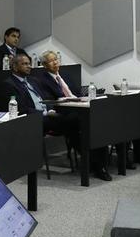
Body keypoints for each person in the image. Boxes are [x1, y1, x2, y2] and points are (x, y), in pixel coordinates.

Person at [8, 53, 108, 181]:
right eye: (25, 64)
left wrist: (50, 109)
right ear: (15, 67)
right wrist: (46, 113)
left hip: (50, 115)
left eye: (29, 63)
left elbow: (46, 99)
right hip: (34, 120)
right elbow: (21, 109)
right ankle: (96, 164)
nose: (29, 66)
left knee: (83, 124)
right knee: (76, 122)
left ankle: (95, 162)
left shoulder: (33, 80)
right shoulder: (10, 84)